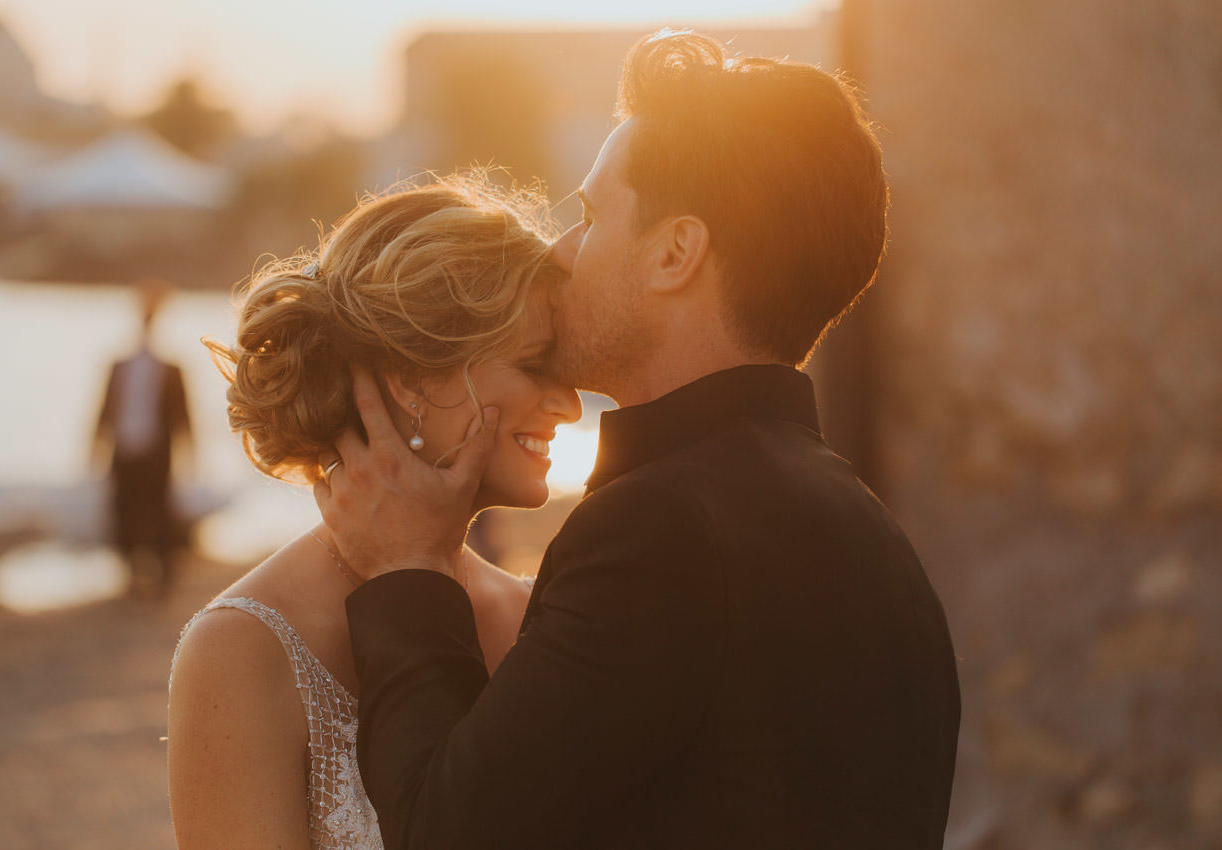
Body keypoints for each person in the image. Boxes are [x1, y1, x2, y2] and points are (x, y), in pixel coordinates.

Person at [314, 30, 962, 849]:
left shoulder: (659, 530)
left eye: (587, 216)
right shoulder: (879, 543)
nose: (560, 251)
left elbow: (448, 829)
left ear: (675, 254)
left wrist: (407, 567)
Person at [166, 178, 582, 849]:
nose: (569, 404)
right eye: (536, 364)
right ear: (413, 378)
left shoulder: (543, 614)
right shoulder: (243, 651)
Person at [94, 279, 193, 596]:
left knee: (160, 507)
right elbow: (104, 407)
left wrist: (191, 448)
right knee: (123, 507)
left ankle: (163, 574)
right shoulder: (119, 365)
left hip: (156, 449)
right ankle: (129, 572)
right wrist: (95, 443)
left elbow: (183, 414)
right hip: (124, 447)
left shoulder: (171, 367)